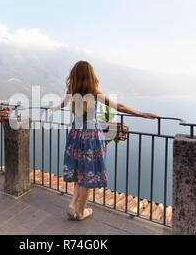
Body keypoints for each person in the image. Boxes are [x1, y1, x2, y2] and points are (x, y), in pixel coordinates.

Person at [52, 60, 159, 221]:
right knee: (88, 174)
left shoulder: (71, 91)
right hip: (91, 137)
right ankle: (81, 213)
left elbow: (61, 105)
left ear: (74, 75)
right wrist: (141, 113)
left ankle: (73, 204)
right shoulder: (94, 93)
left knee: (80, 172)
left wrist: (49, 108)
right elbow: (120, 107)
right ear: (90, 75)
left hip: (75, 135)